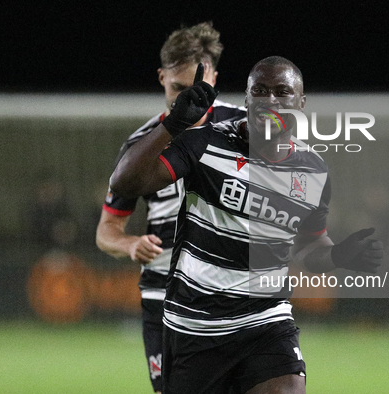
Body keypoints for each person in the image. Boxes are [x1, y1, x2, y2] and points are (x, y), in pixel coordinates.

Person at [110, 56, 384, 394]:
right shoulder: (204, 145)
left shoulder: (313, 170)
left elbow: (307, 247)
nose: (270, 100)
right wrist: (172, 125)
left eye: (282, 92)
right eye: (260, 91)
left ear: (300, 103)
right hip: (196, 326)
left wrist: (339, 255)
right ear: (247, 99)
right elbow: (124, 184)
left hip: (266, 320)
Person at [95, 22, 245, 393]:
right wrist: (129, 244)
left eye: (199, 88)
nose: (189, 101)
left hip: (231, 293)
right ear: (162, 78)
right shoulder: (140, 146)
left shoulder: (246, 129)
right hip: (163, 294)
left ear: (213, 75)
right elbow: (106, 232)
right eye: (179, 89)